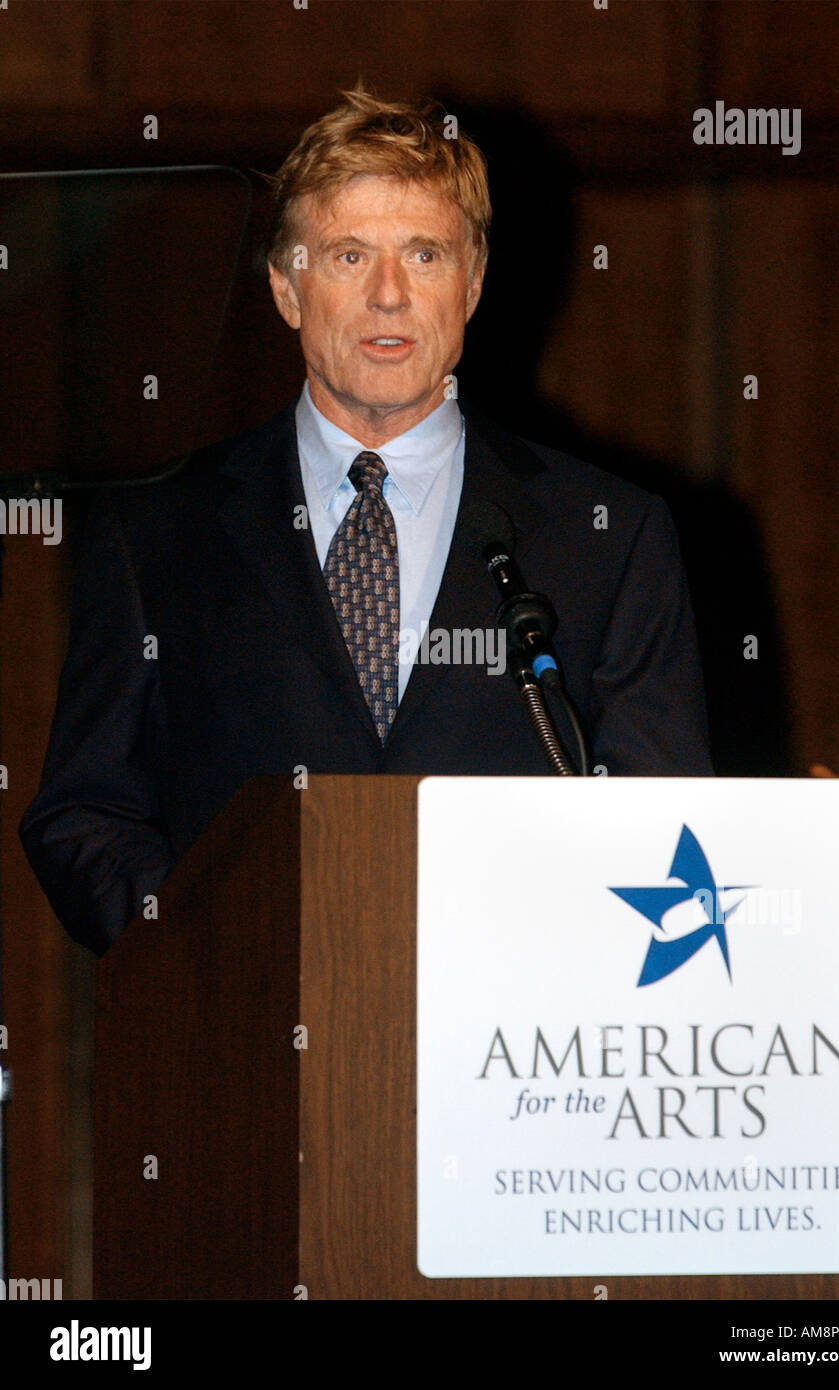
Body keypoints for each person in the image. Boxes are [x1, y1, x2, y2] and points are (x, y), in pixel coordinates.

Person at [19, 85, 712, 955]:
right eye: (349, 256)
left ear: (473, 284)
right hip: (244, 1048)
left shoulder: (609, 534)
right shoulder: (156, 533)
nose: (389, 295)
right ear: (285, 287)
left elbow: (669, 827)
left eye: (424, 254)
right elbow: (85, 814)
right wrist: (205, 945)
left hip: (518, 1058)